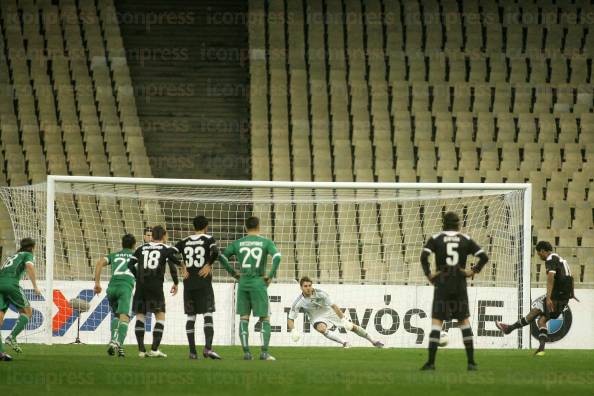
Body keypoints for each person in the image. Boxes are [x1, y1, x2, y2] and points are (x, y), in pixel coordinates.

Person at [419, 212, 489, 371]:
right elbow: (484, 257)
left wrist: (430, 275)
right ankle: (471, 363)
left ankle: (431, 363)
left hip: (442, 284)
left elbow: (423, 257)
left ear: (443, 223)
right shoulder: (465, 239)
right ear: (458, 224)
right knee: (464, 322)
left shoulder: (436, 238)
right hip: (459, 284)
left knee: (437, 323)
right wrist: (472, 271)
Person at [496, 241, 575, 356]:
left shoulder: (550, 259)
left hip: (556, 296)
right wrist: (572, 293)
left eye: (539, 254)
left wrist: (548, 297)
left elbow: (550, 277)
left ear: (543, 251)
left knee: (534, 313)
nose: (539, 256)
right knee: (541, 320)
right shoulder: (561, 260)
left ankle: (510, 328)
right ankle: (541, 349)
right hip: (564, 297)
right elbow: (571, 278)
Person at [219, 216, 281, 361]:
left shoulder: (238, 243)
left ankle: (247, 353)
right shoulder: (266, 242)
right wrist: (270, 275)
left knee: (244, 317)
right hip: (259, 282)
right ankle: (264, 353)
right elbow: (277, 257)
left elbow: (222, 257)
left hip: (243, 283)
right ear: (259, 226)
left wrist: (233, 273)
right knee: (264, 317)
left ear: (246, 228)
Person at [128, 225, 180, 358]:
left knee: (140, 316)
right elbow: (174, 262)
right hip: (155, 287)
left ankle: (141, 350)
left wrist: (138, 277)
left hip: (141, 287)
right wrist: (177, 280)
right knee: (160, 317)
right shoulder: (166, 248)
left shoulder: (140, 248)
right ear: (163, 236)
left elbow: (129, 265)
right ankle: (154, 349)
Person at [287, 276, 384, 348]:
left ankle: (373, 341)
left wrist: (343, 319)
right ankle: (345, 343)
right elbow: (290, 319)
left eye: (309, 285)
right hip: (316, 317)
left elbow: (333, 306)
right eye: (305, 286)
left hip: (329, 312)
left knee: (351, 327)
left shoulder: (321, 293)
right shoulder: (298, 302)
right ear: (301, 287)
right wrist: (293, 330)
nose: (308, 288)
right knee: (321, 329)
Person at [175, 215, 221, 360]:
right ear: (206, 227)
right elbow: (216, 252)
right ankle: (208, 348)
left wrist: (182, 266)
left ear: (193, 227)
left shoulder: (183, 241)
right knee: (207, 314)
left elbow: (169, 253)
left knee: (191, 316)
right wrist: (209, 264)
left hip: (189, 284)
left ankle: (192, 352)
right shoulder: (208, 239)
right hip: (203, 282)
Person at [94, 234, 137, 357]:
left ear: (122, 244)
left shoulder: (115, 255)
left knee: (117, 316)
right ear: (134, 245)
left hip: (111, 289)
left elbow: (99, 263)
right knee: (125, 318)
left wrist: (97, 283)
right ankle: (117, 342)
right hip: (125, 288)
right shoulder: (136, 256)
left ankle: (118, 345)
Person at [0, 238, 41, 360]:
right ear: (32, 247)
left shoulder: (14, 255)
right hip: (11, 284)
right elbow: (29, 267)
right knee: (27, 312)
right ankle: (11, 337)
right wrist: (35, 286)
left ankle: (0, 353)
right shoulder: (28, 255)